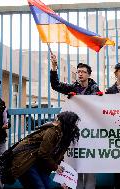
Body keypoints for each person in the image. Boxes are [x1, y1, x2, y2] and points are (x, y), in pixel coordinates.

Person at [50, 54, 99, 189]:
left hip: (90, 133)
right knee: (75, 164)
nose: (80, 74)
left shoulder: (95, 89)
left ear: (89, 74)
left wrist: (100, 98)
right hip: (74, 133)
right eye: (78, 72)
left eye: (83, 72)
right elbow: (55, 85)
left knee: (89, 166)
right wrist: (54, 67)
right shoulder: (72, 88)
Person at [8, 111, 80, 189]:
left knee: (48, 186)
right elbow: (43, 153)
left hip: (38, 162)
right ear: (67, 123)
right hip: (26, 160)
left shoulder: (66, 136)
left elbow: (58, 157)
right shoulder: (53, 131)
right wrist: (55, 166)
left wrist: (61, 180)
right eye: (74, 123)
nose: (75, 126)